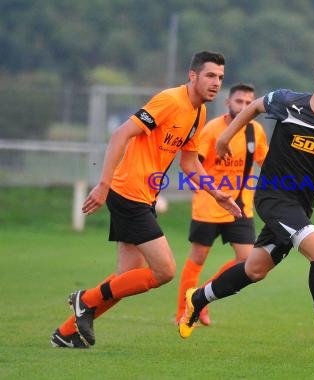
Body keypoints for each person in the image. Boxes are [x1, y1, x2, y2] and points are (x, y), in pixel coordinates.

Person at [51, 51, 242, 348]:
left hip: (144, 196)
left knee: (125, 279)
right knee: (164, 270)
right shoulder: (170, 100)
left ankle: (65, 333)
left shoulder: (198, 112)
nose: (216, 82)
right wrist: (103, 184)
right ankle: (84, 299)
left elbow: (190, 163)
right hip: (128, 192)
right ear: (192, 76)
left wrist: (216, 193)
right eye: (209, 76)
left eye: (220, 77)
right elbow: (120, 135)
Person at [178, 52, 314, 354]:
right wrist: (224, 138)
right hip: (273, 197)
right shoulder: (288, 102)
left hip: (300, 207)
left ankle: (197, 299)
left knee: (254, 270)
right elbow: (252, 107)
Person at [175, 83, 268, 326]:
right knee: (198, 256)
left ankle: (200, 299)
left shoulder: (255, 131)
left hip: (240, 206)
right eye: (239, 101)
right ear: (228, 103)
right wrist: (199, 187)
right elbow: (194, 162)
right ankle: (181, 313)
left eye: (249, 103)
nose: (244, 107)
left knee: (247, 260)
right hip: (209, 204)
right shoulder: (212, 129)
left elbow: (265, 162)